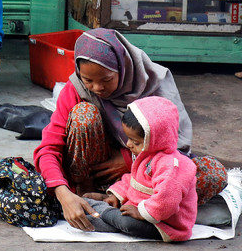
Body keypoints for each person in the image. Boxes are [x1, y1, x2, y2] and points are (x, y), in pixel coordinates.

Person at [33, 28, 228, 232]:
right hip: (94, 174)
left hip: (146, 178)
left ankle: (131, 204)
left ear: (123, 66)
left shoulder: (154, 86)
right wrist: (63, 194)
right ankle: (88, 196)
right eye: (88, 80)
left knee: (213, 173)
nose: (97, 88)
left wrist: (130, 161)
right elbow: (49, 148)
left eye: (106, 79)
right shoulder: (76, 88)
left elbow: (174, 149)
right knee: (84, 115)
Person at [82, 97, 197, 241]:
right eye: (128, 139)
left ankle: (99, 213)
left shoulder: (172, 165)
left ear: (157, 138)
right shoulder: (147, 156)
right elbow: (134, 180)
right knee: (120, 219)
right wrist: (117, 196)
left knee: (126, 223)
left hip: (164, 224)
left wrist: (141, 213)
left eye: (135, 142)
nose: (129, 145)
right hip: (139, 210)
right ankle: (92, 213)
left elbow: (167, 202)